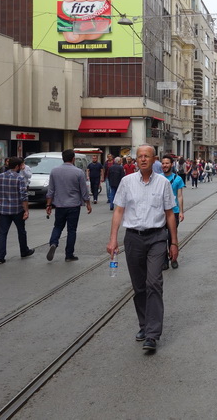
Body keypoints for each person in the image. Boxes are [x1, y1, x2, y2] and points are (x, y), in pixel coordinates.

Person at [107, 144, 178, 353]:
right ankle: (144, 325)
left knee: (153, 282)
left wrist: (174, 243)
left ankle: (152, 334)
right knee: (139, 286)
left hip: (157, 237)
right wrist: (113, 240)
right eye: (140, 156)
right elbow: (118, 211)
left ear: (154, 159)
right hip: (133, 239)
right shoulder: (127, 182)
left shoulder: (163, 183)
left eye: (147, 156)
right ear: (136, 160)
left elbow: (169, 214)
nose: (143, 159)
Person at [45, 149, 92, 262]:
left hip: (60, 205)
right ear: (73, 159)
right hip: (74, 205)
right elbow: (84, 190)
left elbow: (50, 190)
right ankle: (69, 255)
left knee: (58, 226)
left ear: (63, 158)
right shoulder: (78, 172)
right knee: (71, 230)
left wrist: (48, 205)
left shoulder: (54, 171)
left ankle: (54, 243)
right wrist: (88, 203)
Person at [0, 157, 35, 264]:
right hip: (17, 210)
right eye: (20, 166)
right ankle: (24, 250)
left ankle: (0, 257)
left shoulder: (0, 177)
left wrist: (0, 204)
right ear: (17, 166)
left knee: (2, 233)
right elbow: (23, 196)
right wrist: (26, 210)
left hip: (4, 210)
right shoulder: (19, 178)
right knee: (21, 231)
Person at [161, 154, 185, 269]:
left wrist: (181, 211)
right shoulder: (158, 178)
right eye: (163, 163)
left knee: (171, 236)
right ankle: (164, 259)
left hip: (174, 211)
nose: (165, 165)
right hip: (160, 212)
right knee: (161, 237)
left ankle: (173, 258)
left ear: (171, 164)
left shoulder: (178, 179)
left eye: (167, 163)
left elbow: (179, 196)